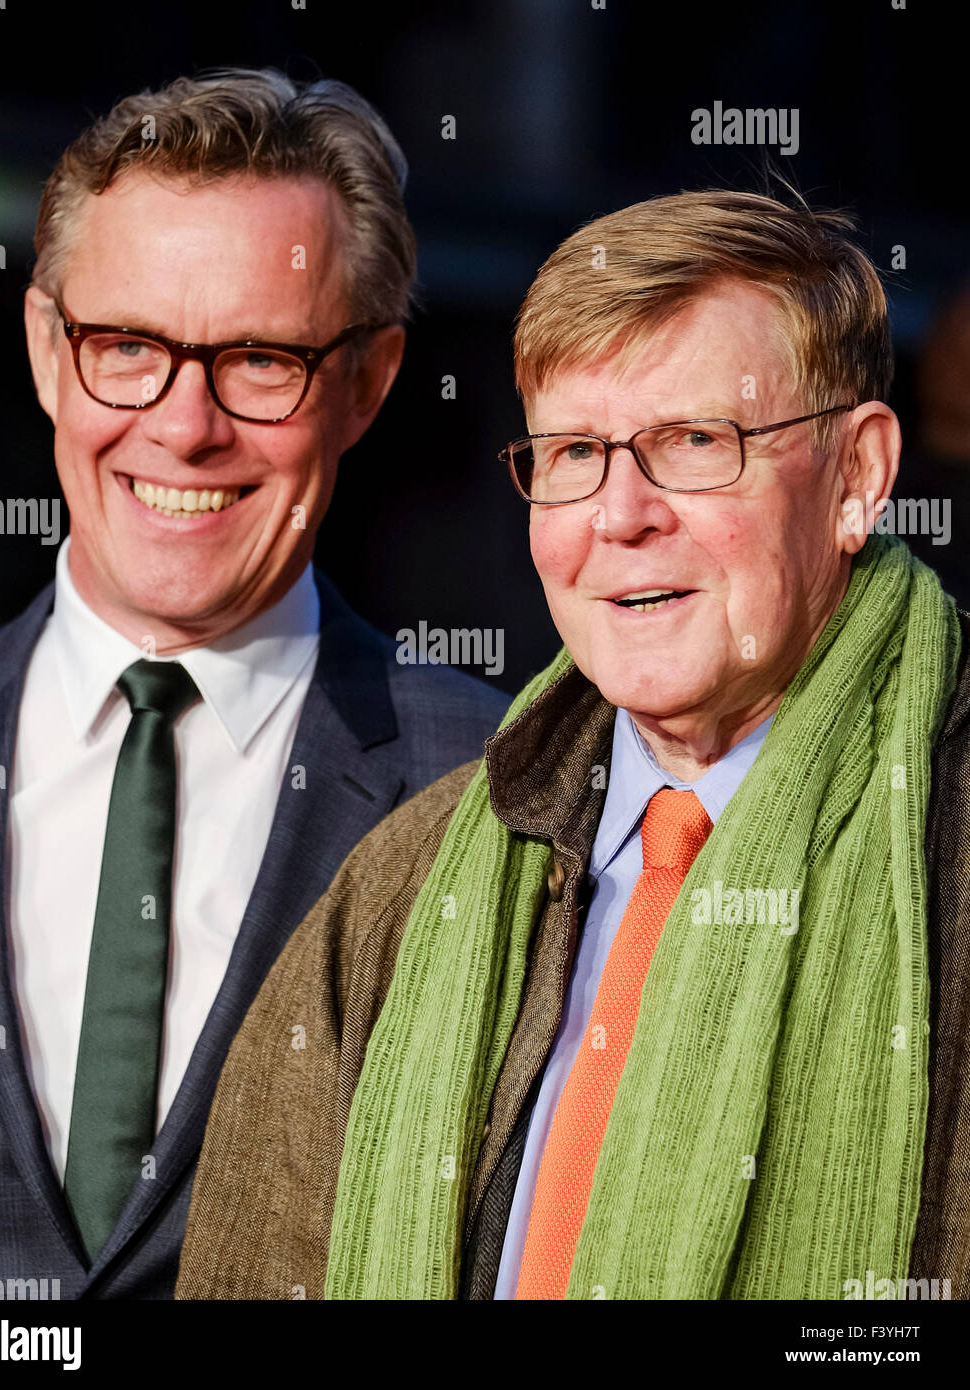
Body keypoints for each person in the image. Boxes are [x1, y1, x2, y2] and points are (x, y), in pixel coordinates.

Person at [177, 189, 970, 1301]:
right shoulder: (401, 888)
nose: (619, 513)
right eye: (574, 452)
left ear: (857, 477)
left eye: (694, 441)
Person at [0, 67, 508, 1301]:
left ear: (368, 382)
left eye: (257, 361)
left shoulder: (500, 794)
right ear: (46, 350)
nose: (183, 428)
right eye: (126, 346)